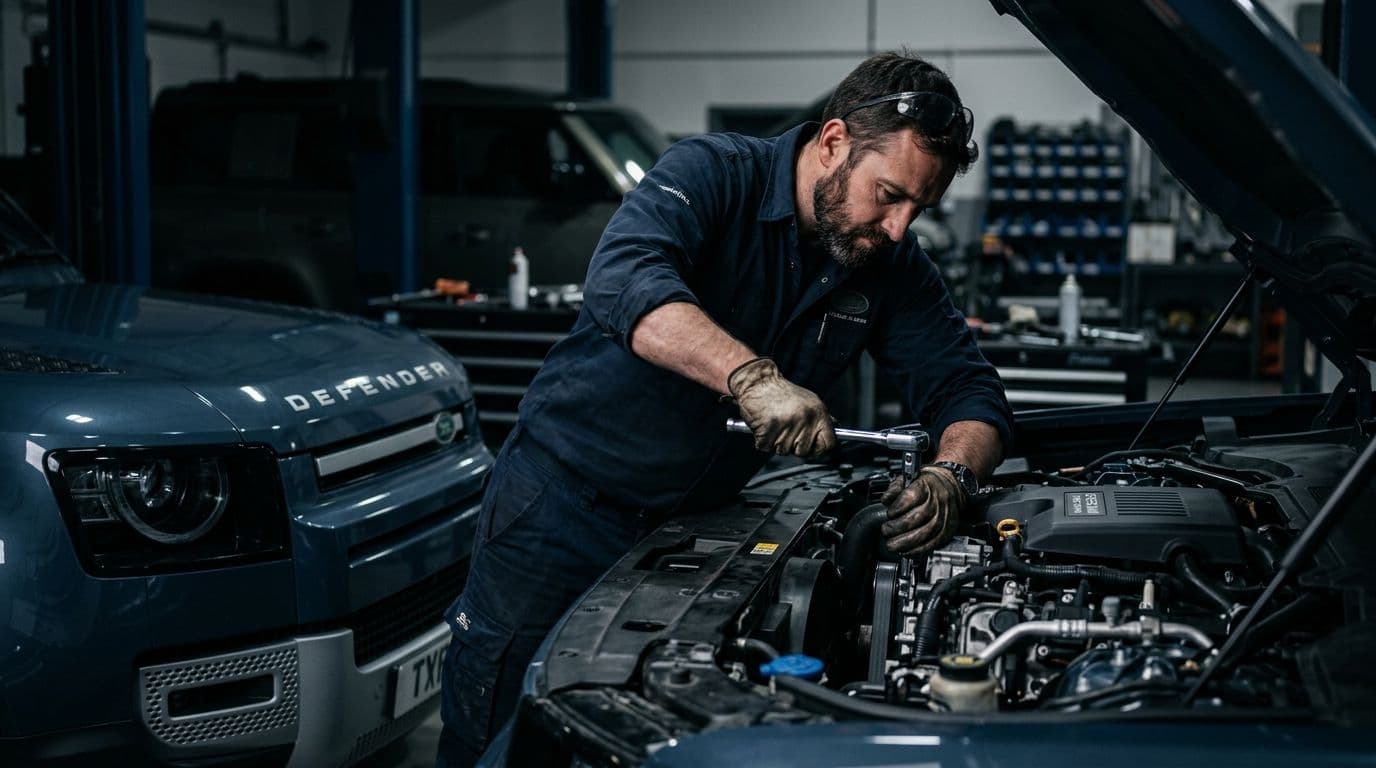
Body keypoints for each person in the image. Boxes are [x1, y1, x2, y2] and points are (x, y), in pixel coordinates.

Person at [437, 50, 1012, 767]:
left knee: (629, 737)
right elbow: (624, 280)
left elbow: (970, 390)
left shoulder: (886, 261)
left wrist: (951, 477)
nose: (899, 227)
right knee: (496, 731)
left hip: (690, 533)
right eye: (888, 194)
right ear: (833, 141)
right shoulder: (711, 173)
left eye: (918, 209)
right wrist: (749, 375)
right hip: (559, 511)